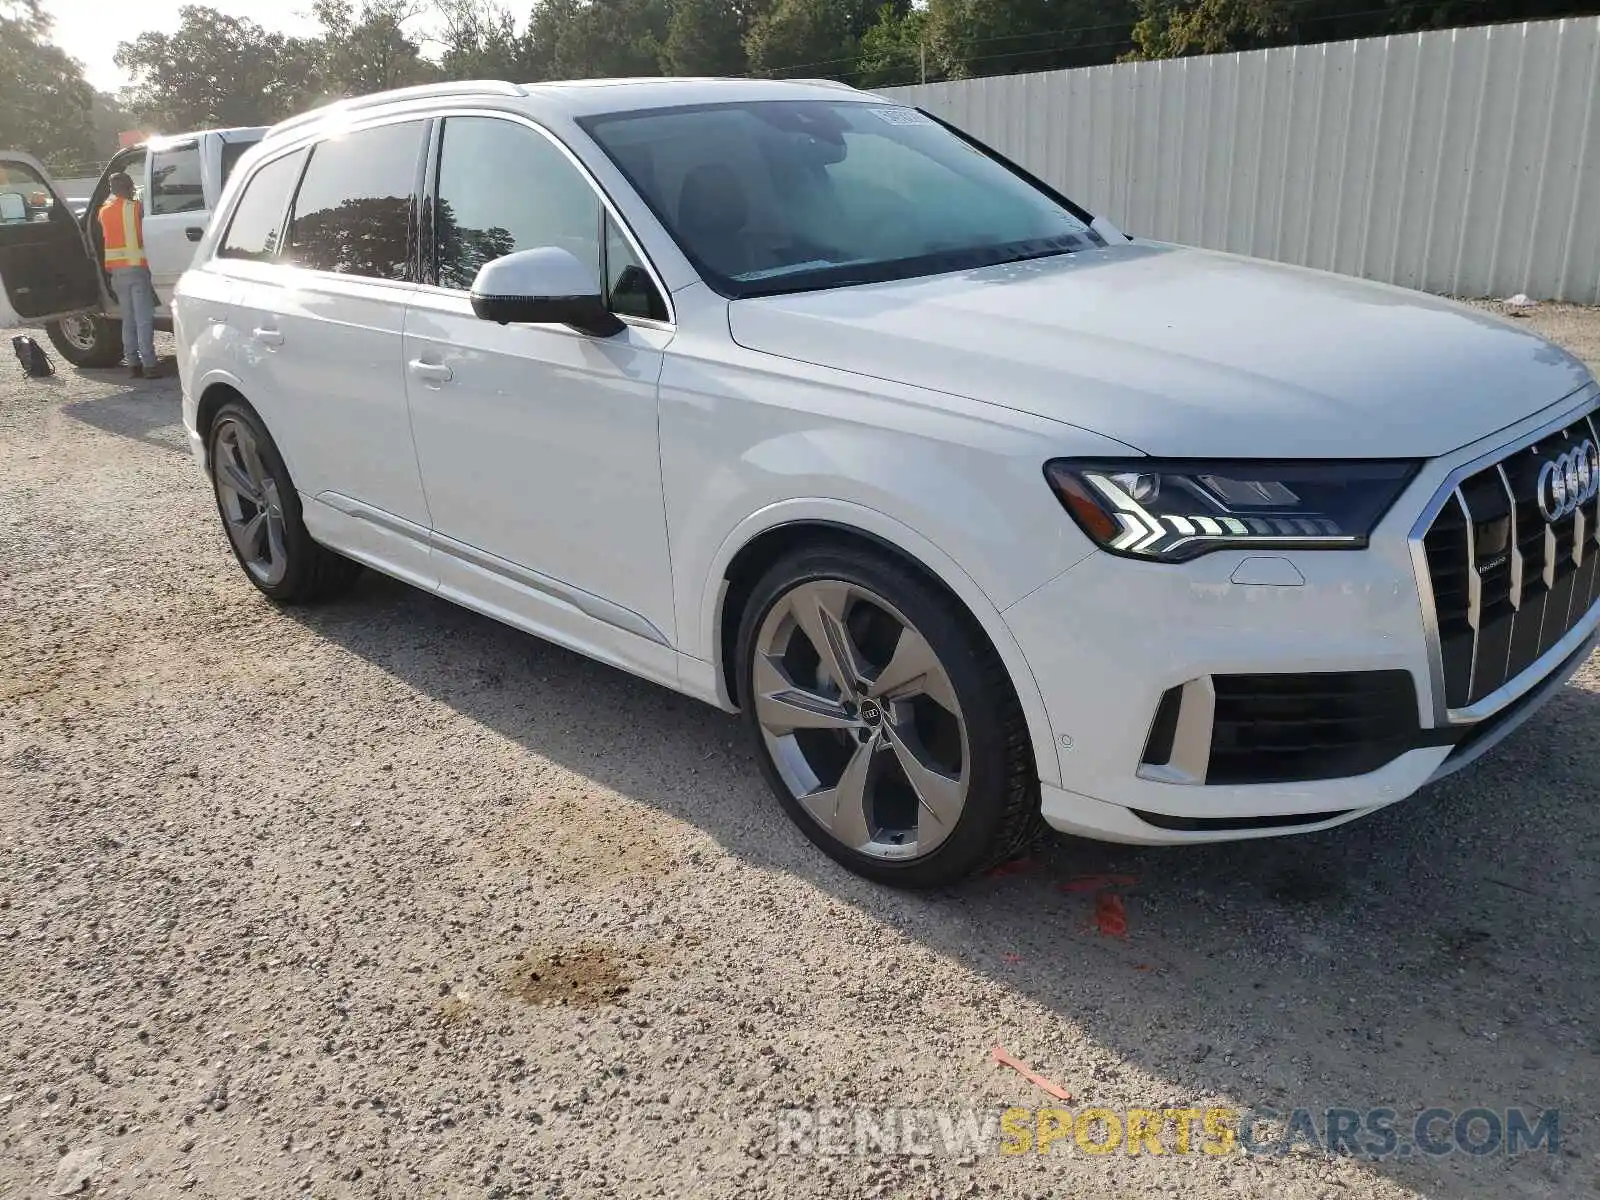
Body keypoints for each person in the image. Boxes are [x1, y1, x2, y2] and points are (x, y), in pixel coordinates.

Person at [97, 172, 163, 379]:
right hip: (136, 269)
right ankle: (150, 365)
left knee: (128, 319)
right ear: (129, 187)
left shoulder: (103, 211)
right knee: (143, 318)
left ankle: (133, 363)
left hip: (116, 272)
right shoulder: (135, 208)